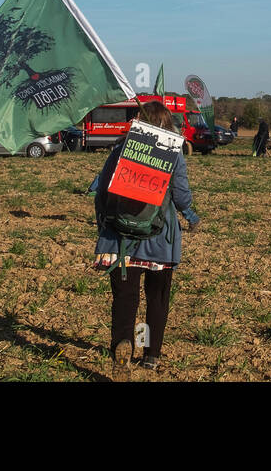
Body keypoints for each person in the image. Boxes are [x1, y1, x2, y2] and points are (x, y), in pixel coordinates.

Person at [92, 101, 200, 378]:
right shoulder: (172, 152)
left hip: (121, 241)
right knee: (158, 298)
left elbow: (101, 191)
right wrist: (191, 216)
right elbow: (181, 194)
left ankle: (122, 346)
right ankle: (151, 355)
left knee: (125, 299)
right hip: (160, 240)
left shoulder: (120, 150)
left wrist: (104, 226)